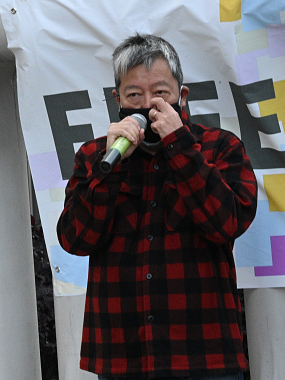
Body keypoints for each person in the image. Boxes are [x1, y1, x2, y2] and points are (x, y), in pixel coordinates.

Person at [57, 34, 258, 380]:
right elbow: (75, 239)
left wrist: (179, 145)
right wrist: (111, 167)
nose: (148, 104)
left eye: (160, 93)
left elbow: (227, 222)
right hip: (122, 358)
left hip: (204, 357)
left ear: (182, 96)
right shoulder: (96, 156)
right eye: (134, 95)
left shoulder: (219, 148)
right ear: (116, 99)